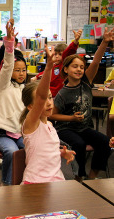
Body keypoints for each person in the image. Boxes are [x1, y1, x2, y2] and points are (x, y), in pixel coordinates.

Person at [49, 27, 114, 181]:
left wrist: (104, 42)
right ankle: (79, 177)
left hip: (84, 127)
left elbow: (97, 61)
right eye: (74, 66)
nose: (79, 69)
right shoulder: (63, 93)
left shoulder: (85, 82)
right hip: (66, 129)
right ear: (65, 69)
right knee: (79, 144)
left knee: (105, 142)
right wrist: (71, 118)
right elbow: (52, 115)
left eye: (82, 67)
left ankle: (92, 178)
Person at [19, 44, 76, 184]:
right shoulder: (31, 123)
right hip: (35, 183)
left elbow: (45, 149)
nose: (50, 103)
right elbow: (41, 97)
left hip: (56, 181)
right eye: (45, 99)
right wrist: (49, 67)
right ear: (31, 106)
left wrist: (61, 153)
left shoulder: (49, 124)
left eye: (51, 97)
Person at [0, 19, 26, 185]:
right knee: (12, 152)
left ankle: (25, 181)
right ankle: (6, 185)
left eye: (24, 70)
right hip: (2, 134)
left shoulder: (25, 89)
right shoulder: (3, 85)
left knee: (31, 148)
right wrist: (10, 43)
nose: (21, 73)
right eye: (17, 70)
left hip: (20, 132)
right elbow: (7, 65)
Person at [31, 29, 83, 97]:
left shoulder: (64, 64)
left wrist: (75, 41)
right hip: (50, 94)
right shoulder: (54, 65)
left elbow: (69, 51)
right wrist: (36, 77)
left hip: (60, 95)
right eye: (55, 54)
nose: (57, 56)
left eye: (60, 54)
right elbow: (46, 72)